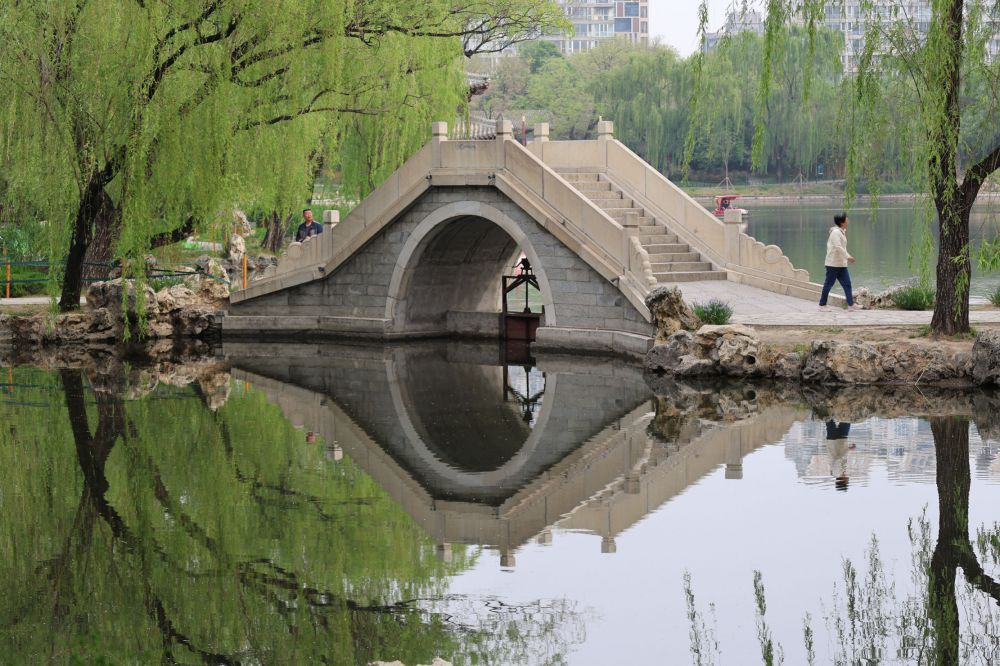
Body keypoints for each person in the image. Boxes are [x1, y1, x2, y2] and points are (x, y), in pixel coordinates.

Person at [819, 212, 862, 311]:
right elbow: (838, 247)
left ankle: (851, 305)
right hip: (833, 264)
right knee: (828, 284)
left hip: (842, 264)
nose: (848, 220)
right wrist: (848, 257)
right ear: (842, 222)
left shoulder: (842, 232)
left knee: (847, 284)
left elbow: (842, 247)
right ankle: (822, 305)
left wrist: (847, 257)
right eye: (846, 219)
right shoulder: (835, 233)